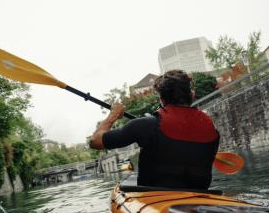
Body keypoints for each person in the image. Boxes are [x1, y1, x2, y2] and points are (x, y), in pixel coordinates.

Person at [90, 70, 219, 189]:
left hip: (153, 200)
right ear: (192, 95)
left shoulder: (145, 126)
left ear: (161, 99)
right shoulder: (210, 126)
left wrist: (113, 115)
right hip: (201, 199)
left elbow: (95, 141)